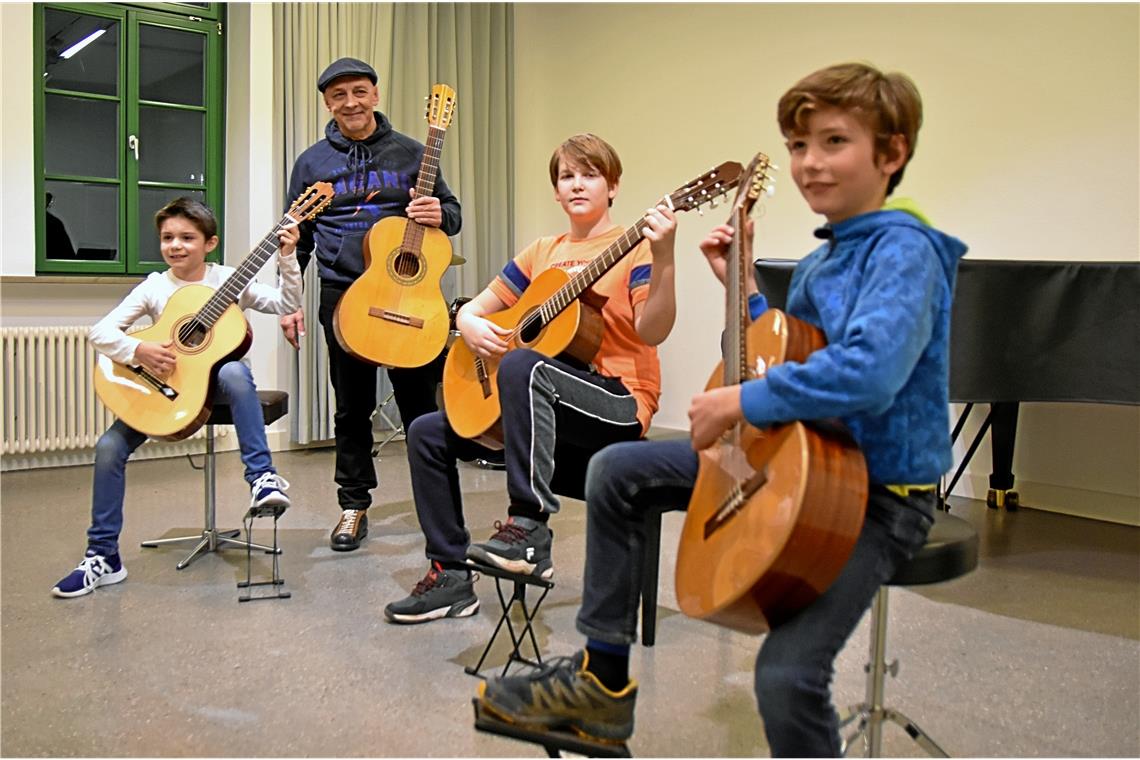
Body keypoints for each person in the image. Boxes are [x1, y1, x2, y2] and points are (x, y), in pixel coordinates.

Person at [476, 62, 969, 754]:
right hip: (807, 455)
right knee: (618, 470)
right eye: (800, 146)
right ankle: (602, 687)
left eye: (834, 143)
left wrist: (742, 398)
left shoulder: (904, 249)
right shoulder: (828, 259)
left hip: (879, 492)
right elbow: (789, 354)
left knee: (787, 676)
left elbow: (869, 373)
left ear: (890, 154)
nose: (810, 163)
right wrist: (743, 297)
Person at [383, 133, 679, 624]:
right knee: (426, 432)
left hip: (618, 401)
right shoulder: (543, 251)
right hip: (541, 406)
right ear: (556, 190)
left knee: (524, 364)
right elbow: (477, 308)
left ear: (613, 186)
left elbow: (656, 329)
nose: (578, 185)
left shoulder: (635, 249)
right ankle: (451, 576)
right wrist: (470, 325)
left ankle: (529, 528)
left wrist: (665, 256)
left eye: (590, 174)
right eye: (567, 176)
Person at [52, 197, 301, 598]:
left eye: (187, 237)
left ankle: (261, 479)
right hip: (168, 387)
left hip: (220, 387)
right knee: (108, 448)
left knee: (236, 370)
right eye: (168, 237)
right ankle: (103, 557)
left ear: (210, 243)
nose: (176, 245)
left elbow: (287, 303)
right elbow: (100, 333)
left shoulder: (230, 278)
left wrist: (287, 257)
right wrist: (139, 351)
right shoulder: (155, 286)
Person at [281, 57, 463, 552]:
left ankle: (439, 507)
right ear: (327, 103)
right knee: (352, 406)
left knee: (420, 408)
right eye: (339, 95)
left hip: (410, 294)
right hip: (344, 296)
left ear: (375, 95)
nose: (351, 103)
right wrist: (289, 301)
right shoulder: (311, 163)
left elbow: (452, 213)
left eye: (359, 91)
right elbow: (296, 238)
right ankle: (353, 505)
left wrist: (437, 214)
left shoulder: (412, 153)